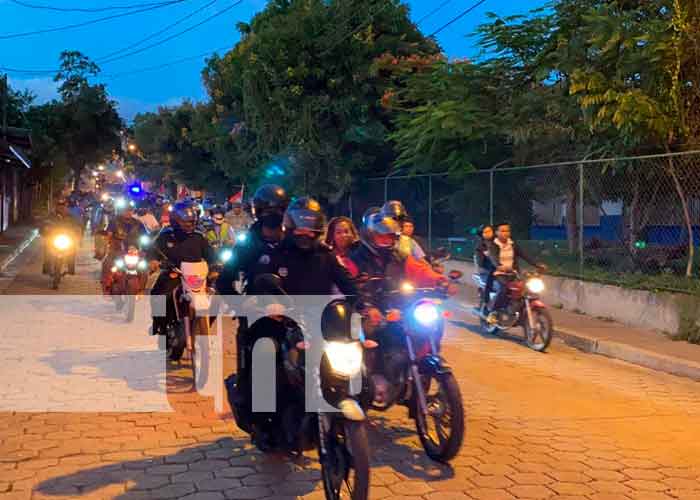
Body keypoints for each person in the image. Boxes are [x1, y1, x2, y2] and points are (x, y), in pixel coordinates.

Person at [236, 196, 362, 451]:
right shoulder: (276, 254)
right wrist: (266, 305)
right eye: (300, 226)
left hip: (322, 326)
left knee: (351, 358)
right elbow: (260, 285)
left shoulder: (326, 256)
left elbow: (349, 285)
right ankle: (264, 423)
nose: (305, 232)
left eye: (311, 226)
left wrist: (364, 304)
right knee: (267, 356)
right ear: (290, 226)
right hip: (285, 325)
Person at [148, 201, 215, 336]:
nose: (189, 225)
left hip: (196, 278)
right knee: (158, 294)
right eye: (185, 222)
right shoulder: (166, 235)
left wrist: (216, 267)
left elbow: (211, 255)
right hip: (173, 274)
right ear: (175, 221)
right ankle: (160, 325)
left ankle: (202, 326)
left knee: (216, 300)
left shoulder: (199, 236)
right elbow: (152, 251)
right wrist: (154, 261)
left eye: (191, 221)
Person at [216, 184, 290, 296]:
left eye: (278, 210)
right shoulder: (247, 245)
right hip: (257, 310)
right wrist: (240, 306)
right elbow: (224, 281)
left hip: (294, 310)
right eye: (267, 211)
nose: (272, 215)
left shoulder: (295, 243)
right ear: (258, 211)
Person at [488, 222, 545, 320]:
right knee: (504, 289)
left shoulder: (512, 244)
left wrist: (537, 264)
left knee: (525, 289)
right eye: (503, 231)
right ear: (496, 232)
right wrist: (499, 266)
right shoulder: (493, 245)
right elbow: (493, 258)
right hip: (499, 274)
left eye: (507, 230)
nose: (506, 233)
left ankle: (516, 308)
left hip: (513, 273)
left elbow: (524, 255)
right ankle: (492, 311)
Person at [41, 199, 81, 275]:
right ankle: (46, 266)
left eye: (63, 206)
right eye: (59, 206)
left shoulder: (71, 217)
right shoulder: (50, 216)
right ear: (56, 207)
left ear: (66, 207)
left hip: (67, 238)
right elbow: (43, 225)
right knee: (47, 249)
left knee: (72, 249)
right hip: (53, 238)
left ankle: (71, 267)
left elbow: (78, 225)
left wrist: (77, 232)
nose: (61, 208)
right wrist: (45, 229)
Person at [474, 225, 496, 307]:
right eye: (485, 232)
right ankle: (487, 303)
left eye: (490, 231)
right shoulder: (481, 245)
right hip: (488, 269)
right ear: (481, 234)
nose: (489, 233)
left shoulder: (498, 241)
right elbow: (480, 263)